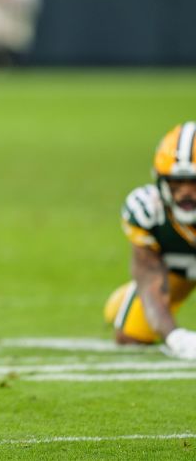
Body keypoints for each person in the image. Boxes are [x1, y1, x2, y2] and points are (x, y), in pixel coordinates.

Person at [104, 122, 196, 360]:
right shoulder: (147, 211)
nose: (186, 192)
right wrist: (176, 338)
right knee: (131, 336)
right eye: (177, 183)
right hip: (175, 273)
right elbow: (149, 278)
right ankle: (122, 301)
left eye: (194, 182)